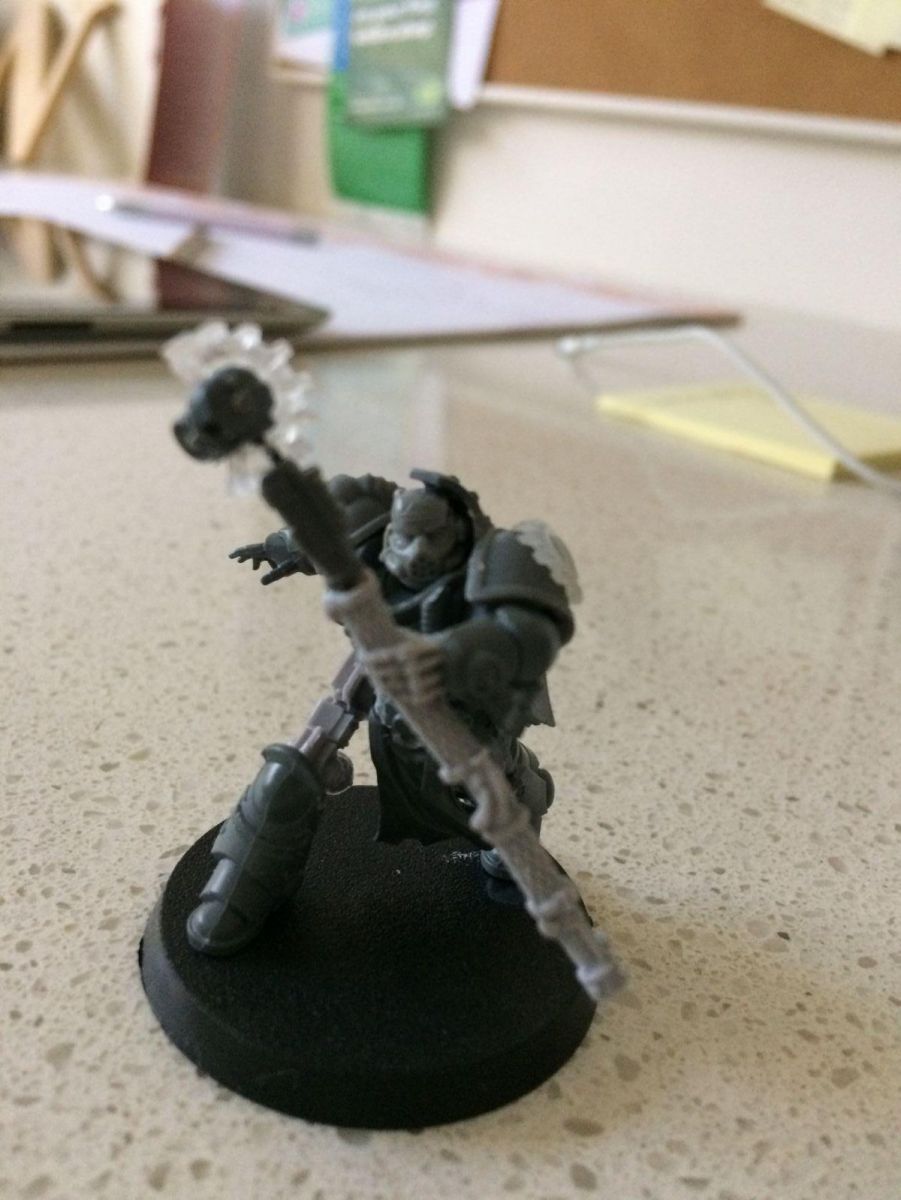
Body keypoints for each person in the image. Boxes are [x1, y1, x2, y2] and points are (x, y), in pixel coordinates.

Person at [186, 468, 581, 956]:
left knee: (493, 779)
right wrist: (285, 545)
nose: (413, 554)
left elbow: (530, 634)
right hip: (374, 667)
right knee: (298, 761)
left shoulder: (498, 557)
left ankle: (525, 799)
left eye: (431, 539)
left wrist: (451, 654)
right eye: (404, 538)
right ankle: (242, 885)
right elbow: (328, 533)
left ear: (456, 534)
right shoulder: (373, 525)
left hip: (462, 694)